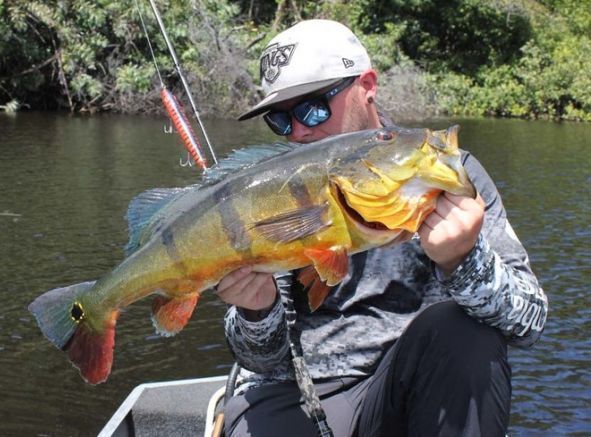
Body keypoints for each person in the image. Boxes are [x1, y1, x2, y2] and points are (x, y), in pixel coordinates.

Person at [215, 19, 547, 437]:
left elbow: (528, 322)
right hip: (292, 387)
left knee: (467, 335)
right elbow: (259, 358)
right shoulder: (272, 190)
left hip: (410, 384)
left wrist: (465, 262)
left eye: (312, 106)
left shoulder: (444, 172)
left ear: (367, 85)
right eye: (279, 120)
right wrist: (255, 312)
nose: (298, 130)